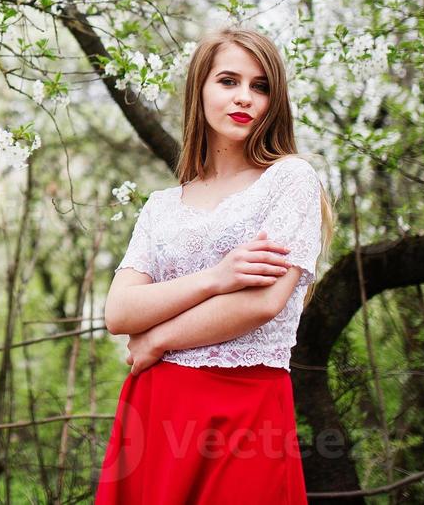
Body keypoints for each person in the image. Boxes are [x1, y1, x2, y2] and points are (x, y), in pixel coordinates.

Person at [94, 26, 335, 504]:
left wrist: (159, 337)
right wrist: (216, 278)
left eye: (260, 86)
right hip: (156, 408)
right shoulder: (162, 205)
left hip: (245, 408)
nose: (245, 96)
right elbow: (120, 313)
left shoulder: (290, 179)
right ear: (200, 89)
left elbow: (263, 302)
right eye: (228, 81)